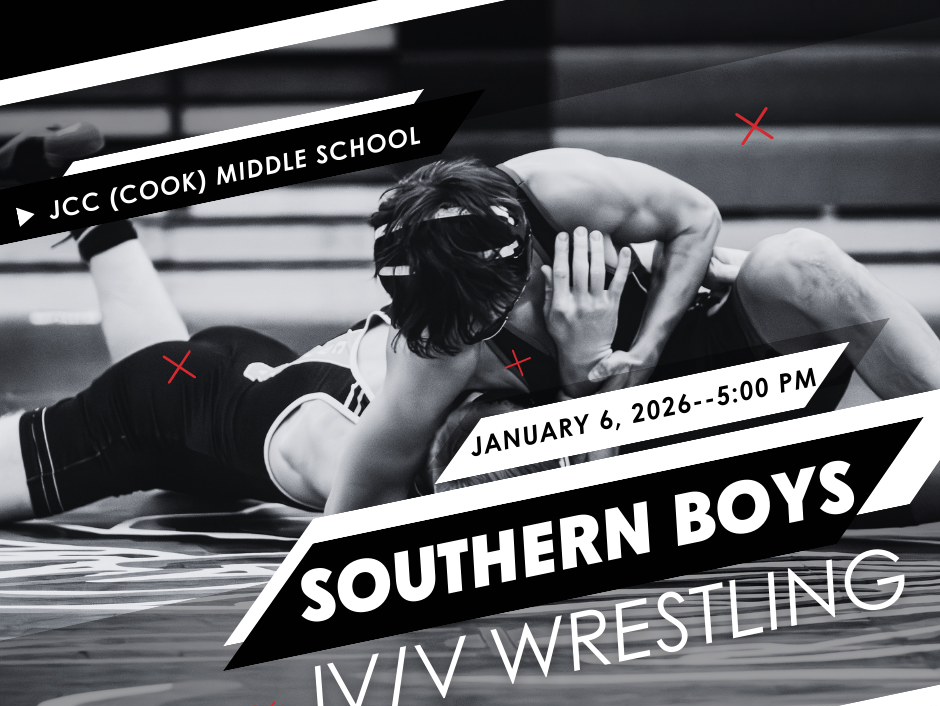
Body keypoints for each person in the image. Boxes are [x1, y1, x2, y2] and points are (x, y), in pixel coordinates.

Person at [1, 126, 939, 526]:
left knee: (175, 376)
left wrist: (641, 347)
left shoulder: (563, 191)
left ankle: (93, 206)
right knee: (171, 379)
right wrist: (580, 377)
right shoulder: (433, 362)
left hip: (231, 391)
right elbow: (363, 527)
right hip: (233, 398)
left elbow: (698, 216)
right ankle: (95, 206)